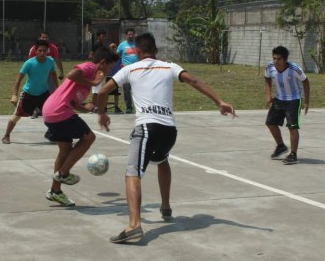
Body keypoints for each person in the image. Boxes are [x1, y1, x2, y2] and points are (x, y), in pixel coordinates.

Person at [97, 32, 236, 244]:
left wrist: (102, 113)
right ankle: (165, 206)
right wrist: (220, 101)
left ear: (136, 52)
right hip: (169, 131)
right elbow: (194, 80)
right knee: (161, 159)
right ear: (156, 51)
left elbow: (103, 91)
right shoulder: (170, 66)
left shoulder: (130, 68)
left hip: (146, 128)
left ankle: (134, 225)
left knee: (132, 173)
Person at [42, 45, 119, 207]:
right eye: (110, 67)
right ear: (103, 63)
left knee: (64, 152)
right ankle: (63, 173)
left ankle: (55, 191)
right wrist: (94, 81)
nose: (110, 71)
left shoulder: (88, 80)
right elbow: (71, 74)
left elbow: (71, 101)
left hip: (52, 111)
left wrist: (85, 109)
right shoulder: (89, 67)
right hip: (59, 112)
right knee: (89, 137)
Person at [2, 39, 57, 144]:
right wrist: (14, 95)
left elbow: (53, 74)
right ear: (35, 51)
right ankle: (6, 135)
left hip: (43, 93)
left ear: (47, 51)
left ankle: (50, 132)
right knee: (17, 116)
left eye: (44, 51)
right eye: (40, 50)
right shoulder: (29, 63)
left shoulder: (50, 61)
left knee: (51, 114)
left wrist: (57, 90)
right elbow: (18, 79)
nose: (42, 53)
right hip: (28, 94)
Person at [264, 46, 310, 165]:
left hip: (294, 100)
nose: (276, 61)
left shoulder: (294, 69)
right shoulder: (270, 67)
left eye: (278, 59)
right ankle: (281, 146)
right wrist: (268, 95)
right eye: (274, 58)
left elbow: (305, 81)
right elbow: (267, 78)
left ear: (285, 60)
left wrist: (306, 101)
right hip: (279, 99)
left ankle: (293, 154)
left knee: (292, 127)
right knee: (270, 122)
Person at [116, 28, 138, 113]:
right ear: (126, 35)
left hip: (137, 70)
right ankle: (129, 107)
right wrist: (120, 65)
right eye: (129, 34)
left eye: (132, 34)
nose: (131, 36)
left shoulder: (138, 44)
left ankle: (139, 108)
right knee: (127, 90)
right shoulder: (122, 45)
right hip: (126, 71)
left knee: (138, 90)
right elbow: (117, 57)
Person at [89, 29, 107, 110]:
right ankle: (94, 106)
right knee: (96, 88)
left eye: (104, 36)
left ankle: (97, 106)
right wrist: (96, 63)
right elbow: (91, 55)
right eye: (102, 36)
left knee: (99, 88)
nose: (104, 37)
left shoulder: (102, 45)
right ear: (98, 36)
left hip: (101, 68)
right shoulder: (96, 44)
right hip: (97, 69)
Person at [106, 43, 123, 114]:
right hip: (108, 76)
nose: (113, 48)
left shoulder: (118, 57)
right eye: (111, 47)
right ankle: (105, 107)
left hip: (116, 76)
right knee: (106, 92)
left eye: (114, 47)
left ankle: (116, 107)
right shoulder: (107, 56)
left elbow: (120, 65)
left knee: (117, 93)